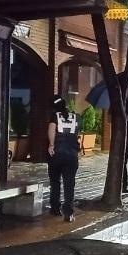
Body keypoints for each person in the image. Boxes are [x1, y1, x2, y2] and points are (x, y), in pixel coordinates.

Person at [46, 94, 81, 223]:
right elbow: (77, 133)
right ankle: (69, 213)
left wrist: (51, 144)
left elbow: (52, 129)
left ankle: (55, 208)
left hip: (57, 154)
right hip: (72, 155)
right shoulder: (75, 117)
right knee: (69, 184)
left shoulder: (55, 116)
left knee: (55, 182)